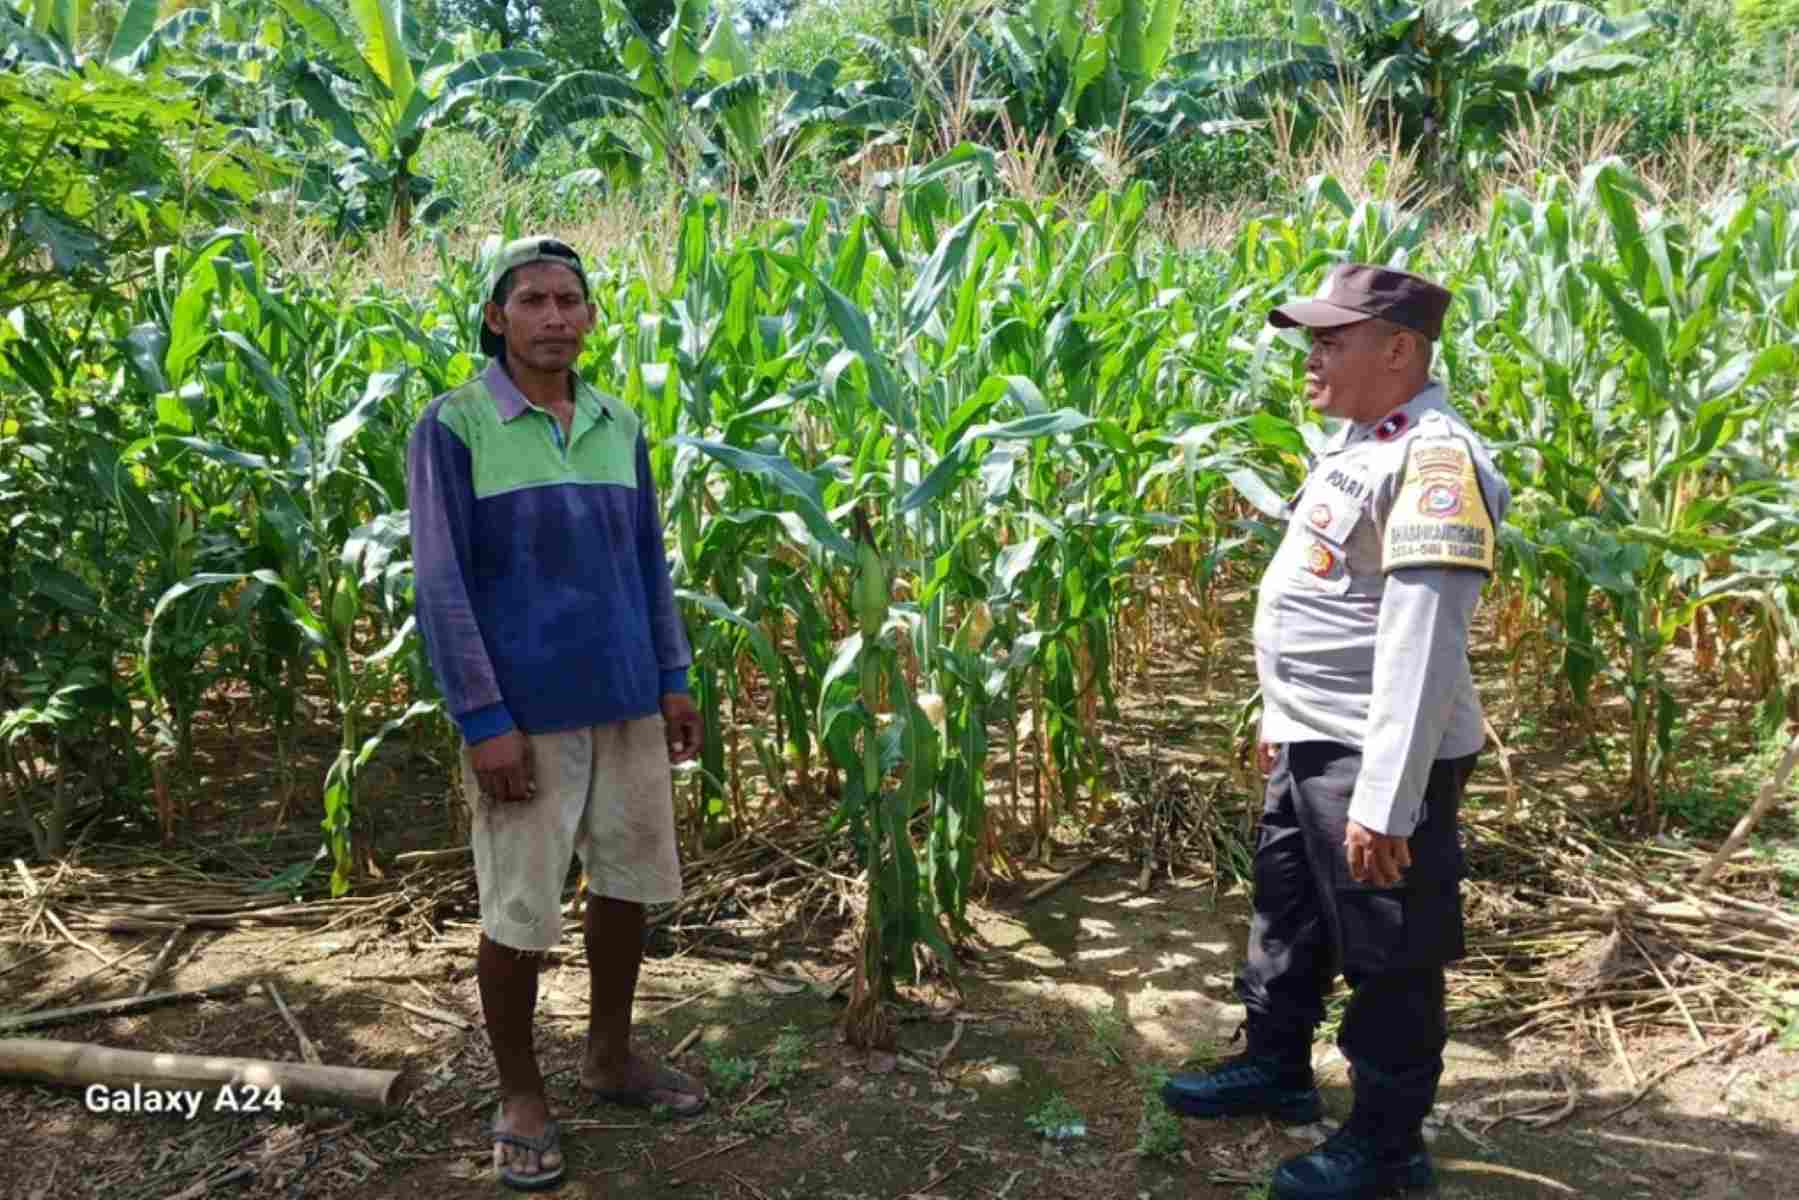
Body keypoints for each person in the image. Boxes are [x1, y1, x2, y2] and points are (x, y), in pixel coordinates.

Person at [1161, 264, 1511, 1200]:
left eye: (1330, 340)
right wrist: (1282, 720)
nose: (1310, 357)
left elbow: (1418, 642)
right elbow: (1324, 599)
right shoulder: (1360, 442)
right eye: (1310, 339)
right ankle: (1275, 1068)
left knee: (1389, 952)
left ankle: (1387, 1147)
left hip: (1374, 750)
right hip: (1315, 735)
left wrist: (1385, 802)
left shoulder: (1434, 459)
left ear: (1397, 350)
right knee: (1288, 913)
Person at [407, 236, 708, 1192]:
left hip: (623, 698)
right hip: (524, 717)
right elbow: (442, 584)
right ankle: (520, 1092)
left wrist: (673, 675)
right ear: (497, 316)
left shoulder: (620, 424)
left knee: (624, 886)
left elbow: (646, 564)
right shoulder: (454, 426)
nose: (553, 318)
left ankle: (610, 1058)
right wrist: (483, 720)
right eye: (532, 300)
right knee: (521, 909)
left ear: (588, 315)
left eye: (569, 301)